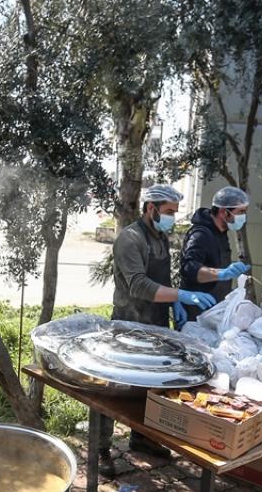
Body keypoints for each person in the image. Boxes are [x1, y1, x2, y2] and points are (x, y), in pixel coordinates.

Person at [104, 184, 216, 473]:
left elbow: (162, 278)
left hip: (155, 320)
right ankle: (101, 448)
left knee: (152, 385)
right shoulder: (130, 239)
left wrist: (173, 302)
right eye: (168, 212)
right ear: (150, 208)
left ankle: (142, 438)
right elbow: (138, 285)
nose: (172, 218)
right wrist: (182, 295)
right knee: (114, 387)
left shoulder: (160, 237)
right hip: (128, 322)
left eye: (175, 212)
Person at [179, 186, 252, 320]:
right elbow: (189, 268)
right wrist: (221, 274)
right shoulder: (201, 235)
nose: (244, 217)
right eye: (240, 212)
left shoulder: (221, 233)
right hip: (196, 312)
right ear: (224, 212)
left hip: (214, 310)